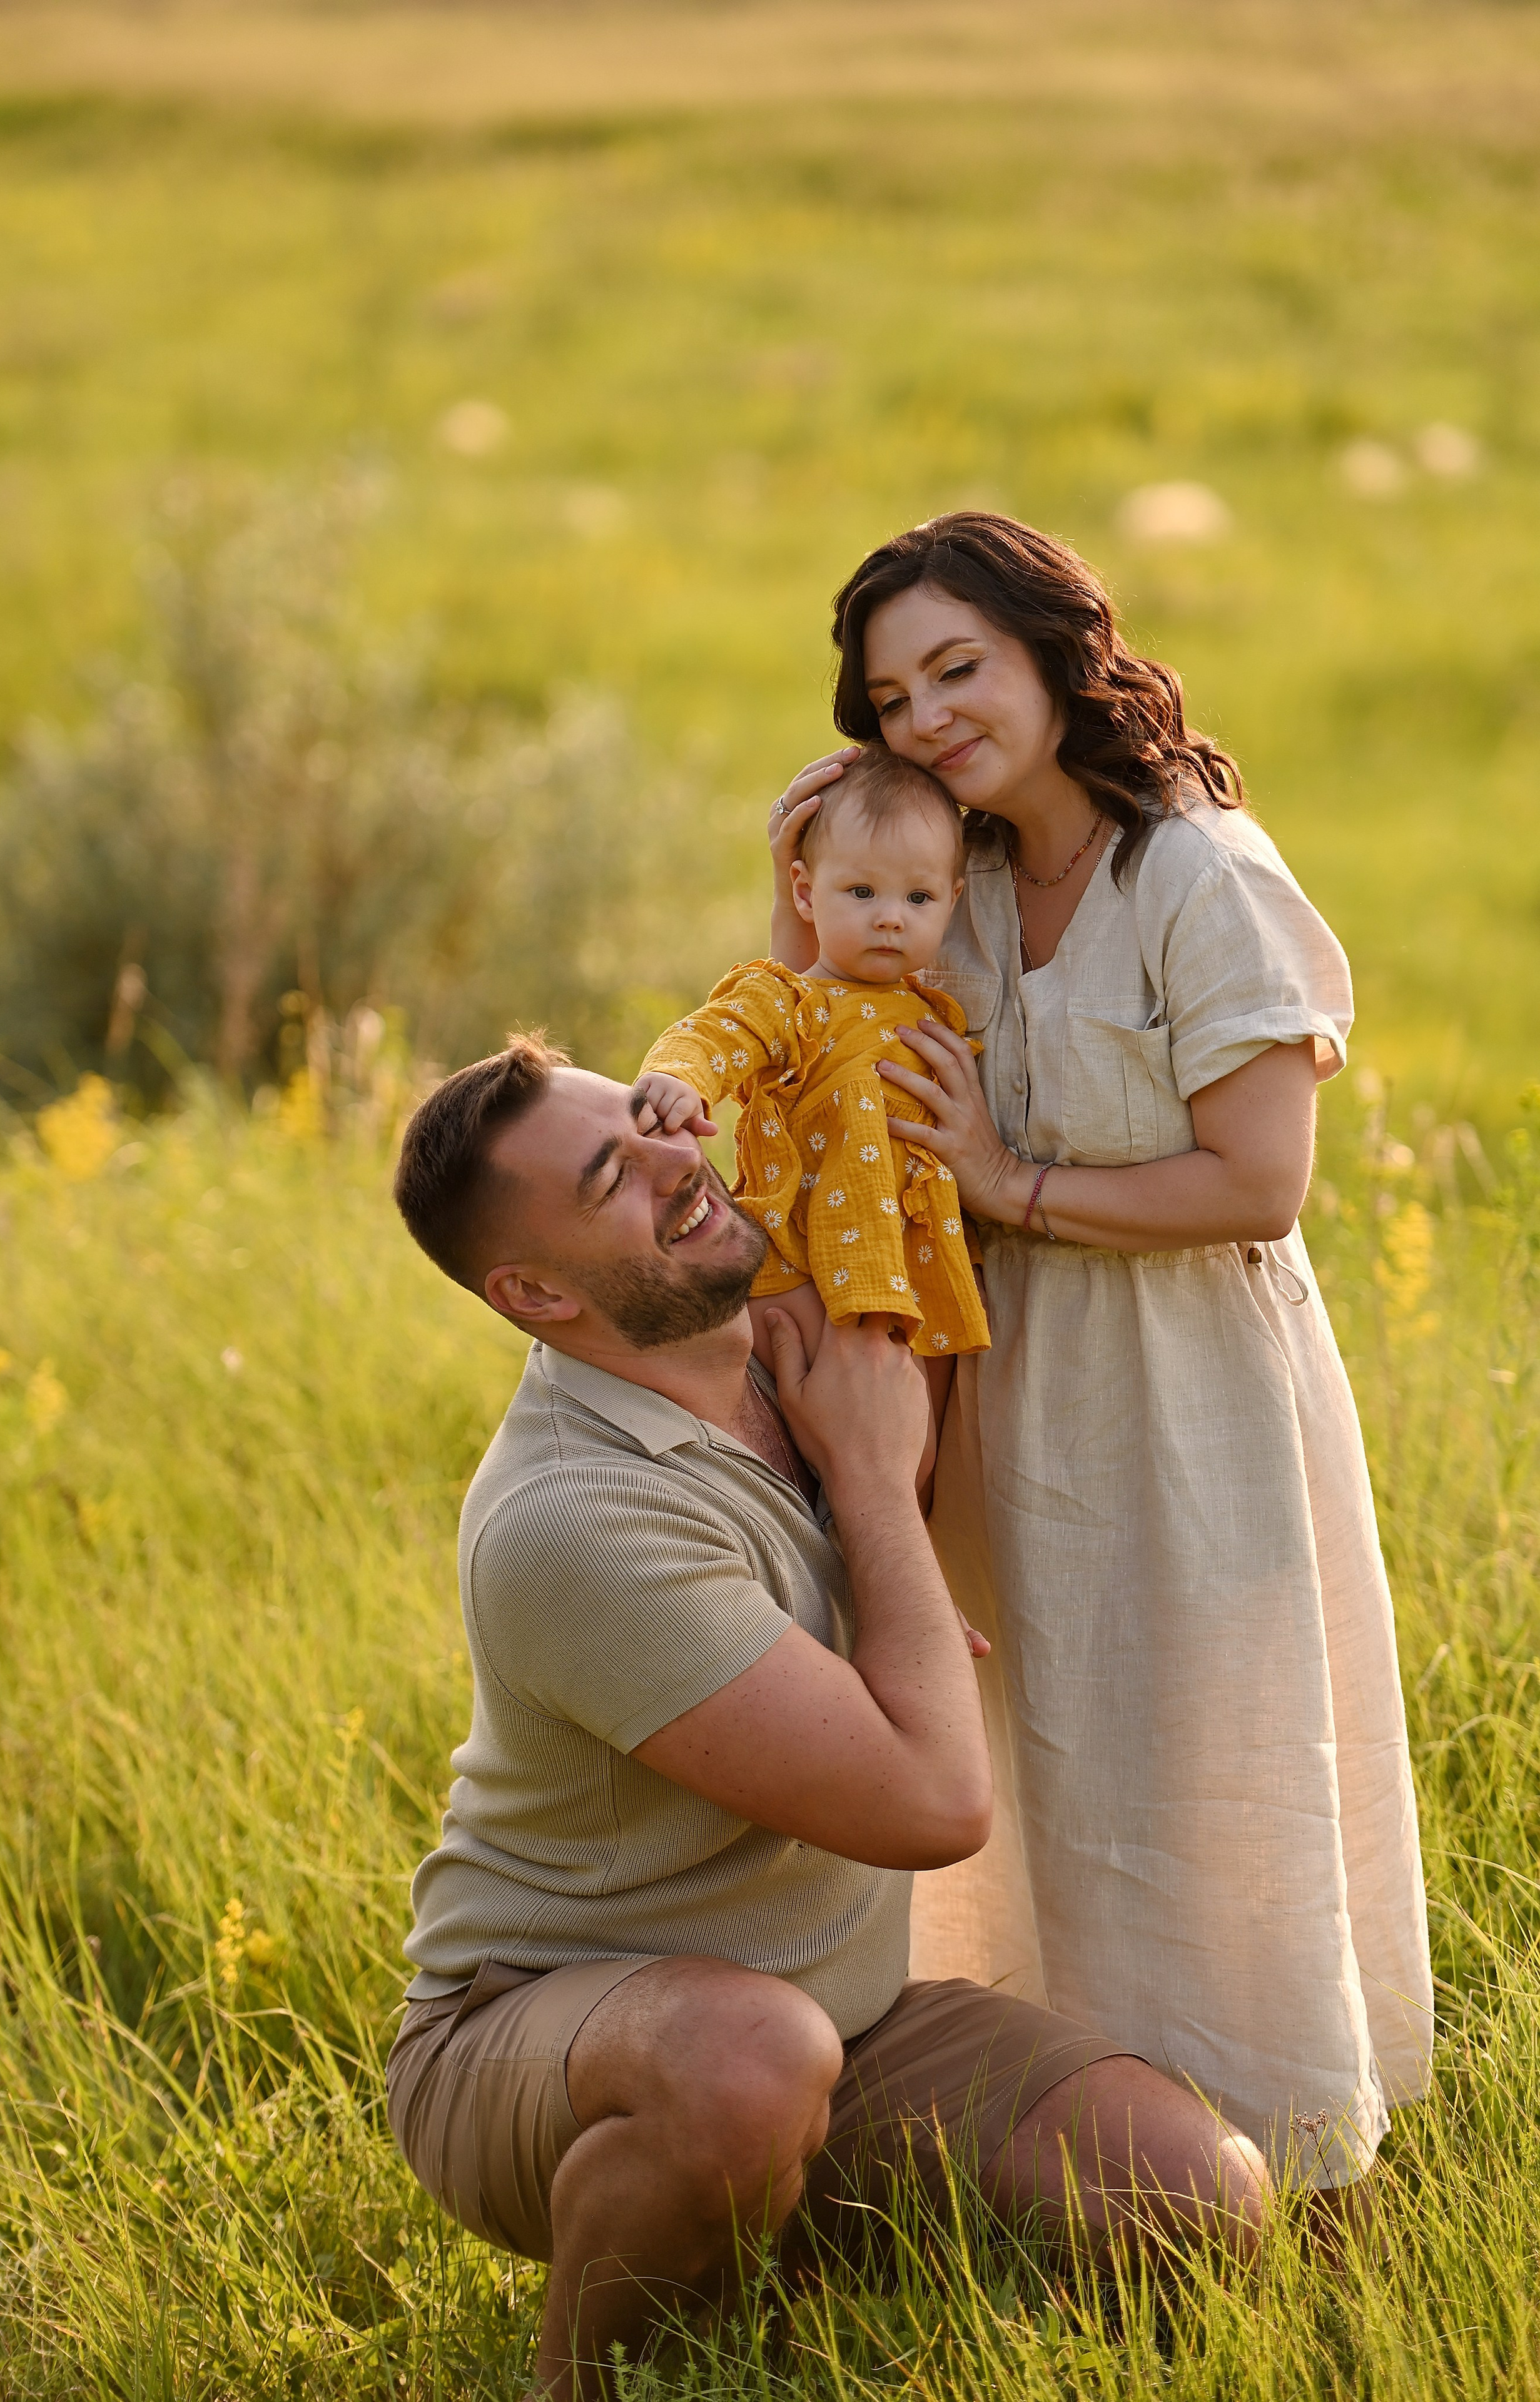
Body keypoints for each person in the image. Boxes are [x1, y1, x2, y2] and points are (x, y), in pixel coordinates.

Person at [387, 1036, 1269, 2395]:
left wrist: (819, 853)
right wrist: (869, 1476)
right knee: (746, 2063)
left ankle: (758, 2257)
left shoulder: (768, 1328)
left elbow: (830, 1011)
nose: (679, 1156)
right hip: (542, 2040)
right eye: (614, 1173)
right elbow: (930, 1808)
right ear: (533, 1292)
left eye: (646, 1116)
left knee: (1196, 2196)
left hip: (837, 2022)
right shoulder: (573, 1523)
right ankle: (592, 2379)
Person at [764, 512, 1433, 2207]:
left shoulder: (1199, 873)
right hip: (1003, 1393)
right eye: (891, 694)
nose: (926, 720)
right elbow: (833, 1064)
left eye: (958, 669)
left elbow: (1258, 1182)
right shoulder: (963, 874)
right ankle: (1085, 2161)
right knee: (1044, 1758)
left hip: (1183, 1389)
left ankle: (1288, 2176)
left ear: (1059, 645)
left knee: (1204, 1760)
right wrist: (804, 907)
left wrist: (1006, 1184)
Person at [636, 746, 988, 1440]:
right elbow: (719, 1033)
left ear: (951, 900)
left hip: (917, 1259)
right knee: (833, 1446)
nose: (890, 917)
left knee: (918, 1461)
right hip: (809, 1266)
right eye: (861, 893)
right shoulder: (794, 1000)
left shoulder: (935, 1013)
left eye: (917, 899)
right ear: (805, 892)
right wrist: (681, 1079)